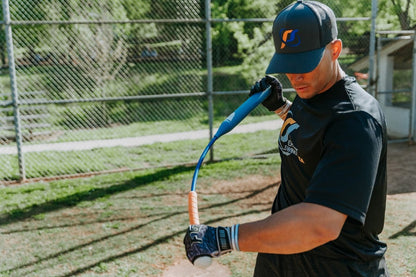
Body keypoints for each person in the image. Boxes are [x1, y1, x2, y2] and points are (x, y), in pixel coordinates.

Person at [184, 1, 389, 276]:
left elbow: (320, 224)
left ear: (335, 49)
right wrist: (282, 108)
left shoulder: (356, 120)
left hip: (336, 268)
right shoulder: (312, 91)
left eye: (305, 62)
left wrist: (224, 238)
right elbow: (315, 134)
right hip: (283, 260)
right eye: (289, 64)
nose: (295, 75)